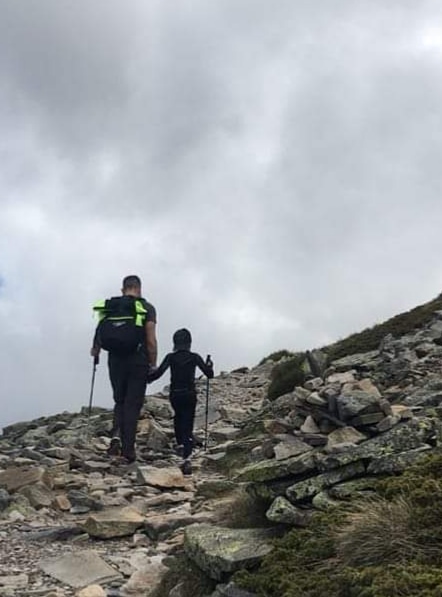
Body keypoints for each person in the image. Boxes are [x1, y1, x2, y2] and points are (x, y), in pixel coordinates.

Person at [91, 275, 157, 463]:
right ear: (139, 288)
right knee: (132, 404)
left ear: (123, 289)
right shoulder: (146, 308)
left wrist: (96, 353)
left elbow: (98, 334)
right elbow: (150, 339)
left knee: (119, 400)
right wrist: (152, 364)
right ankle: (128, 450)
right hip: (138, 360)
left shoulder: (110, 306)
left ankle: (116, 437)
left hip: (115, 360)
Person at [148, 328, 214, 475]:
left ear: (175, 342)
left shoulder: (170, 357)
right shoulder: (194, 357)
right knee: (188, 421)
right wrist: (210, 365)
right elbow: (209, 375)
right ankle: (187, 456)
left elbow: (157, 374)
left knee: (178, 417)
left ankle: (180, 445)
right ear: (189, 342)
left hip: (175, 394)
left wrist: (145, 377)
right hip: (189, 394)